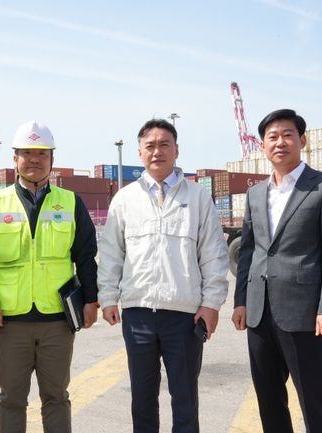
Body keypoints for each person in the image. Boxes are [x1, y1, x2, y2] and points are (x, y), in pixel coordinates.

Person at [97, 118, 229, 433]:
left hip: (184, 316)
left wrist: (211, 304)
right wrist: (107, 297)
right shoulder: (125, 199)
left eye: (164, 144)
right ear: (140, 153)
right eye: (150, 146)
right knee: (142, 399)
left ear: (176, 150)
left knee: (185, 399)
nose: (157, 151)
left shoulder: (197, 197)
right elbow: (112, 253)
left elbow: (213, 254)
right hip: (138, 314)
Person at [0, 120, 98, 433]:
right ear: (15, 159)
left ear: (52, 159)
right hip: (10, 320)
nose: (35, 160)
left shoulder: (71, 203)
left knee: (57, 397)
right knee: (12, 398)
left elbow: (85, 256)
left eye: (42, 153)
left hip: (57, 321)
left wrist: (91, 299)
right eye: (27, 153)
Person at [231, 109, 322, 433]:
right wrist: (241, 301)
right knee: (268, 400)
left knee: (314, 400)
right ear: (262, 146)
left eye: (287, 135)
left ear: (302, 141)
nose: (280, 142)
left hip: (304, 314)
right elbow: (249, 251)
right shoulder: (256, 193)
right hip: (259, 313)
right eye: (272, 137)